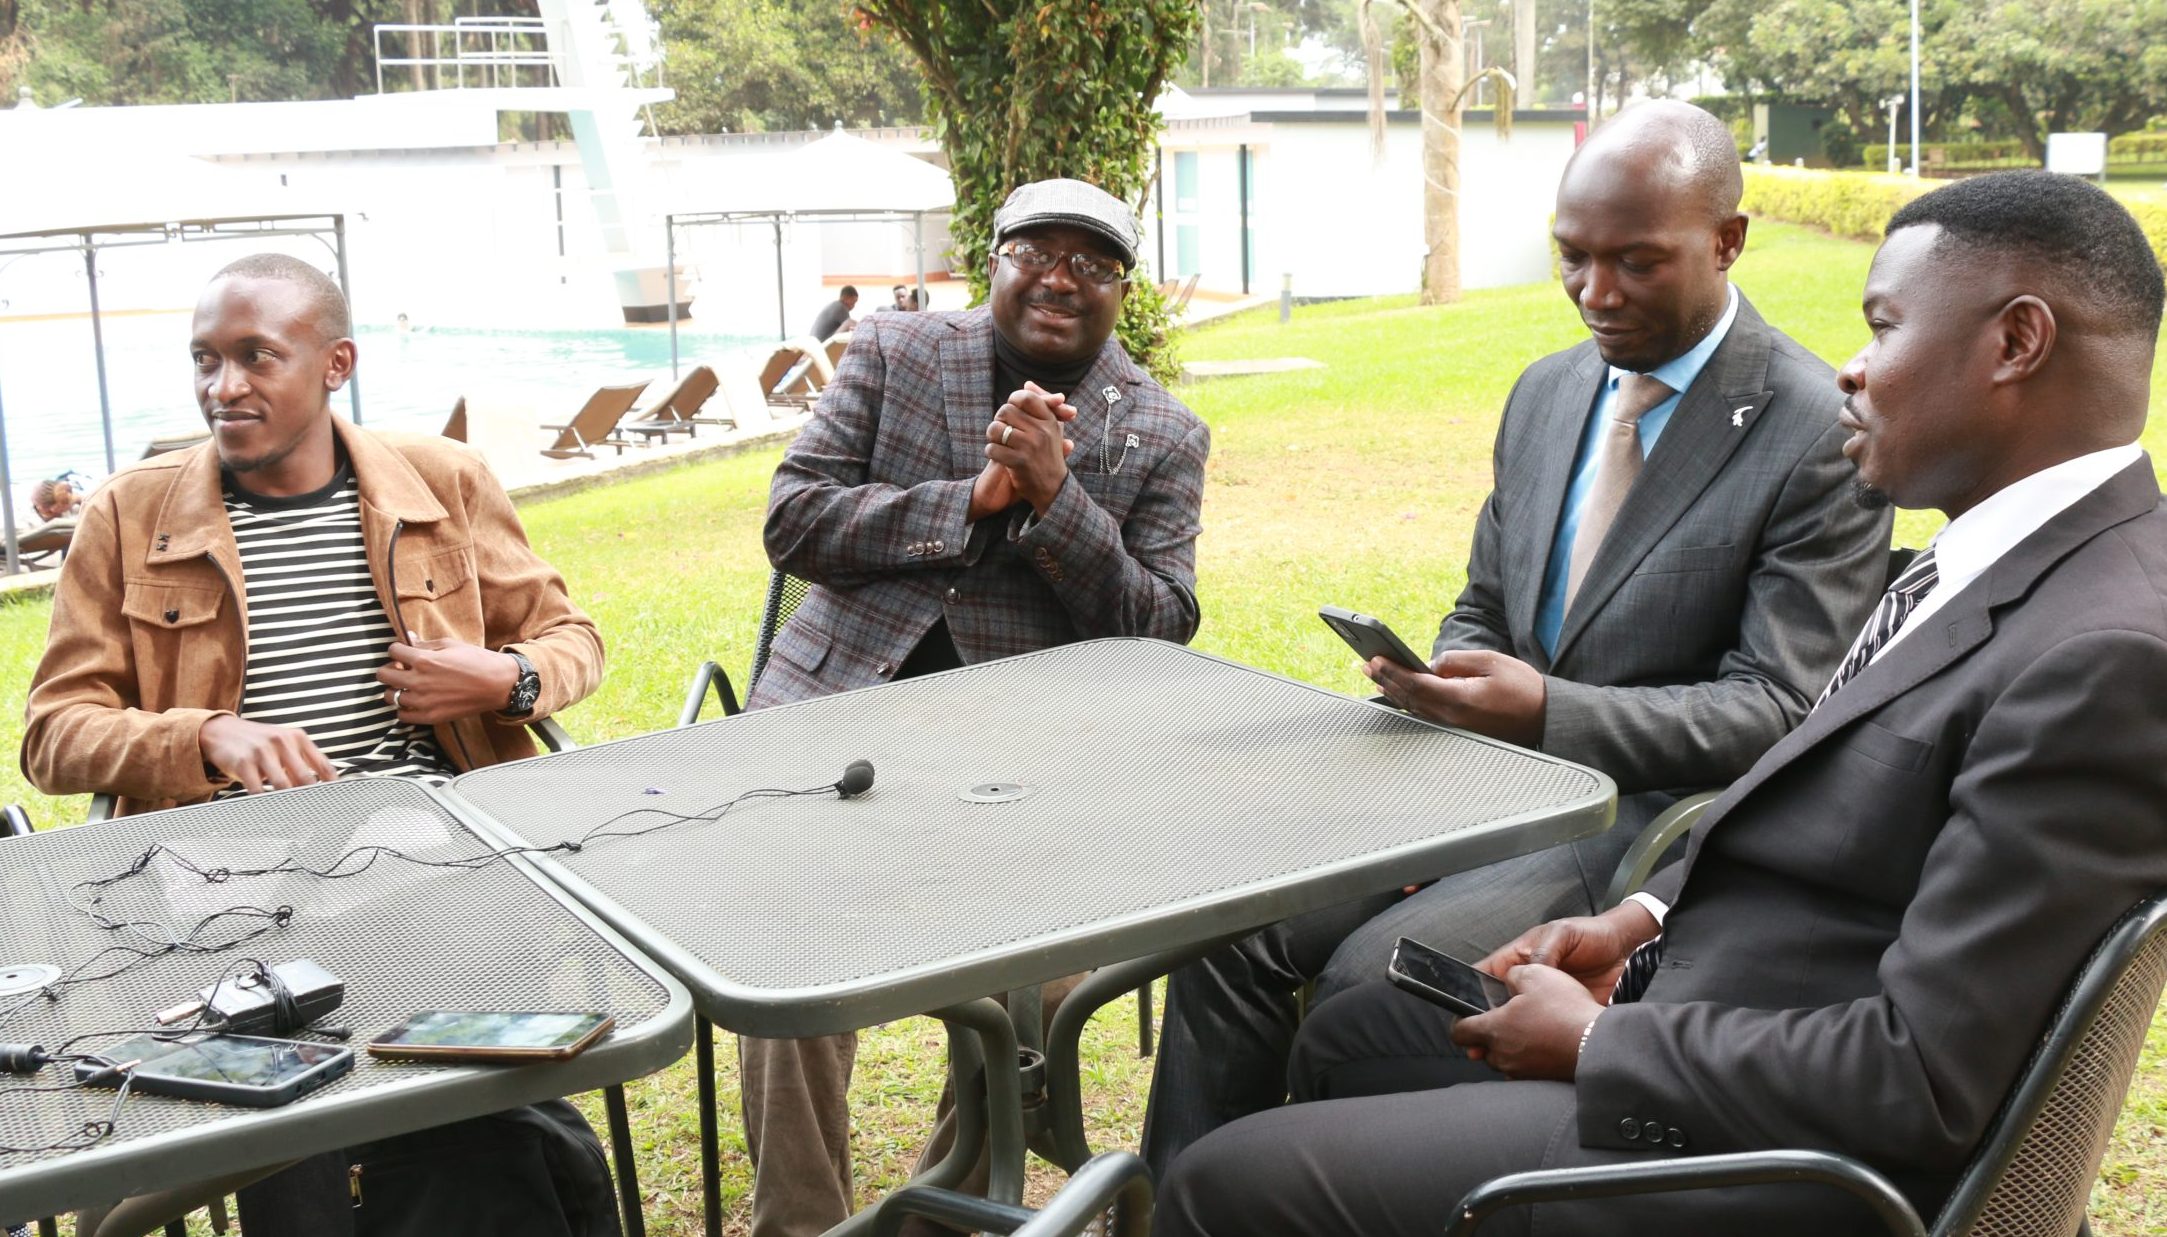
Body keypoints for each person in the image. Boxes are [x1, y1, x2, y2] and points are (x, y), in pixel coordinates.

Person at [1156, 169, 2167, 1236]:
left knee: (1223, 1183)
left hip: (1778, 1169)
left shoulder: (2101, 653)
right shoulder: (1992, 570)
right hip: (1717, 1011)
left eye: (1882, 325)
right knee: (1350, 1038)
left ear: (2015, 343)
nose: (1853, 367)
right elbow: (1829, 820)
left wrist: (1600, 1045)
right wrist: (1635, 920)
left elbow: (1923, 1077)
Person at [1139, 99, 1894, 1176]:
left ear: (1727, 240)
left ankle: (1308, 1188)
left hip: (1630, 815)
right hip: (1474, 770)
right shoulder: (1547, 391)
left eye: (1636, 262)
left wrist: (1543, 709)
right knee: (1227, 932)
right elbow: (1485, 603)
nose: (1597, 294)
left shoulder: (1813, 428)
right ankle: (1191, 1205)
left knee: (1371, 978)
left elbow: (1776, 711)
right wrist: (1441, 675)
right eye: (1572, 259)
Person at [19, 254, 614, 1233]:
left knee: (475, 1127)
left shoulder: (442, 483)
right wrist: (206, 734)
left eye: (256, 357)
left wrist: (500, 677)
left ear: (335, 362)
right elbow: (54, 733)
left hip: (433, 864)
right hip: (228, 889)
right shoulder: (129, 516)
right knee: (290, 1147)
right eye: (205, 360)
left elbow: (570, 642)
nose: (224, 387)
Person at [744, 177, 1209, 1237]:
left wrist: (1058, 499)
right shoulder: (895, 351)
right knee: (789, 977)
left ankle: (930, 1215)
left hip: (1022, 778)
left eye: (1091, 263)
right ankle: (801, 1225)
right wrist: (973, 499)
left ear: (1122, 291)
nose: (1059, 277)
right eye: (1034, 251)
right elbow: (794, 520)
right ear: (990, 260)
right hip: (835, 736)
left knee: (1041, 1004)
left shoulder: (1162, 430)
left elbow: (1159, 623)